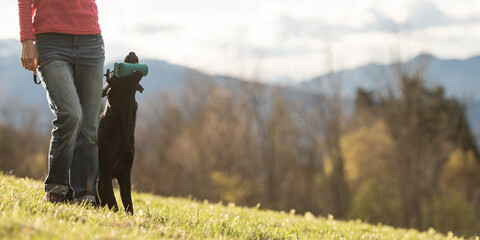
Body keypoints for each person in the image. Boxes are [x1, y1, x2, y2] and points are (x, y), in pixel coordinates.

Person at [18, 0, 105, 205]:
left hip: (91, 42)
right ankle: (56, 187)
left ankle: (85, 195)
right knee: (71, 115)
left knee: (89, 125)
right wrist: (26, 40)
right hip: (50, 42)